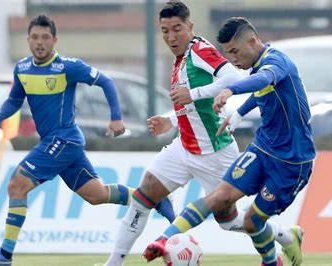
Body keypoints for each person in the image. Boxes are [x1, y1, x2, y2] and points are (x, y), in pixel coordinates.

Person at [0, 14, 174, 266]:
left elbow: (106, 81)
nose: (39, 42)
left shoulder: (67, 67)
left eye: (45, 37)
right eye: (35, 37)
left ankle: (4, 255)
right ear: (28, 40)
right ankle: (152, 198)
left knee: (17, 185)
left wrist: (116, 117)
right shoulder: (22, 68)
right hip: (62, 143)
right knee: (97, 195)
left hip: (63, 139)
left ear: (54, 40)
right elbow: (15, 99)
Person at [144, 17, 316, 266]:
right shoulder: (258, 66)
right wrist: (238, 115)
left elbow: (263, 81)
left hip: (293, 161)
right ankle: (163, 239)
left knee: (252, 221)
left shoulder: (276, 62)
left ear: (252, 41)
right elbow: (262, 93)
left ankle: (277, 255)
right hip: (263, 148)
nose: (232, 59)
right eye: (228, 53)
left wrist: (230, 90)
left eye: (235, 51)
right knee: (219, 198)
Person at [104, 2, 248, 266]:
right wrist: (171, 120)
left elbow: (234, 78)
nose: (171, 37)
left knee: (230, 222)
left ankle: (283, 235)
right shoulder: (180, 61)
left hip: (215, 152)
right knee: (143, 195)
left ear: (190, 27)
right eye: (165, 30)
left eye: (177, 29)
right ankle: (113, 263)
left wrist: (192, 94)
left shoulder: (200, 50)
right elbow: (195, 108)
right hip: (184, 147)